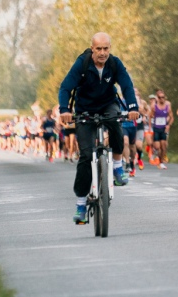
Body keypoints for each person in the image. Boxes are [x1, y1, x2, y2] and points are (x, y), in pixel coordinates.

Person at [58, 33, 139, 224]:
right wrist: (64, 110)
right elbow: (65, 88)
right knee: (86, 156)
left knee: (116, 123)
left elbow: (127, 85)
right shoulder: (82, 64)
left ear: (110, 48)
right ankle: (80, 204)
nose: (102, 53)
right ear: (92, 48)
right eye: (99, 49)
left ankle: (117, 167)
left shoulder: (114, 63)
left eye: (106, 48)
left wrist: (133, 107)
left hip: (107, 104)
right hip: (85, 109)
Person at [149, 90, 173, 168]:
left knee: (163, 147)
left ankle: (161, 162)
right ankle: (155, 153)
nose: (161, 99)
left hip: (163, 129)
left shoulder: (167, 107)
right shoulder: (154, 107)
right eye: (160, 97)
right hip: (156, 128)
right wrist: (150, 127)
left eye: (163, 97)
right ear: (158, 98)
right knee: (157, 147)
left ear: (165, 98)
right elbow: (150, 116)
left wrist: (168, 125)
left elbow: (172, 117)